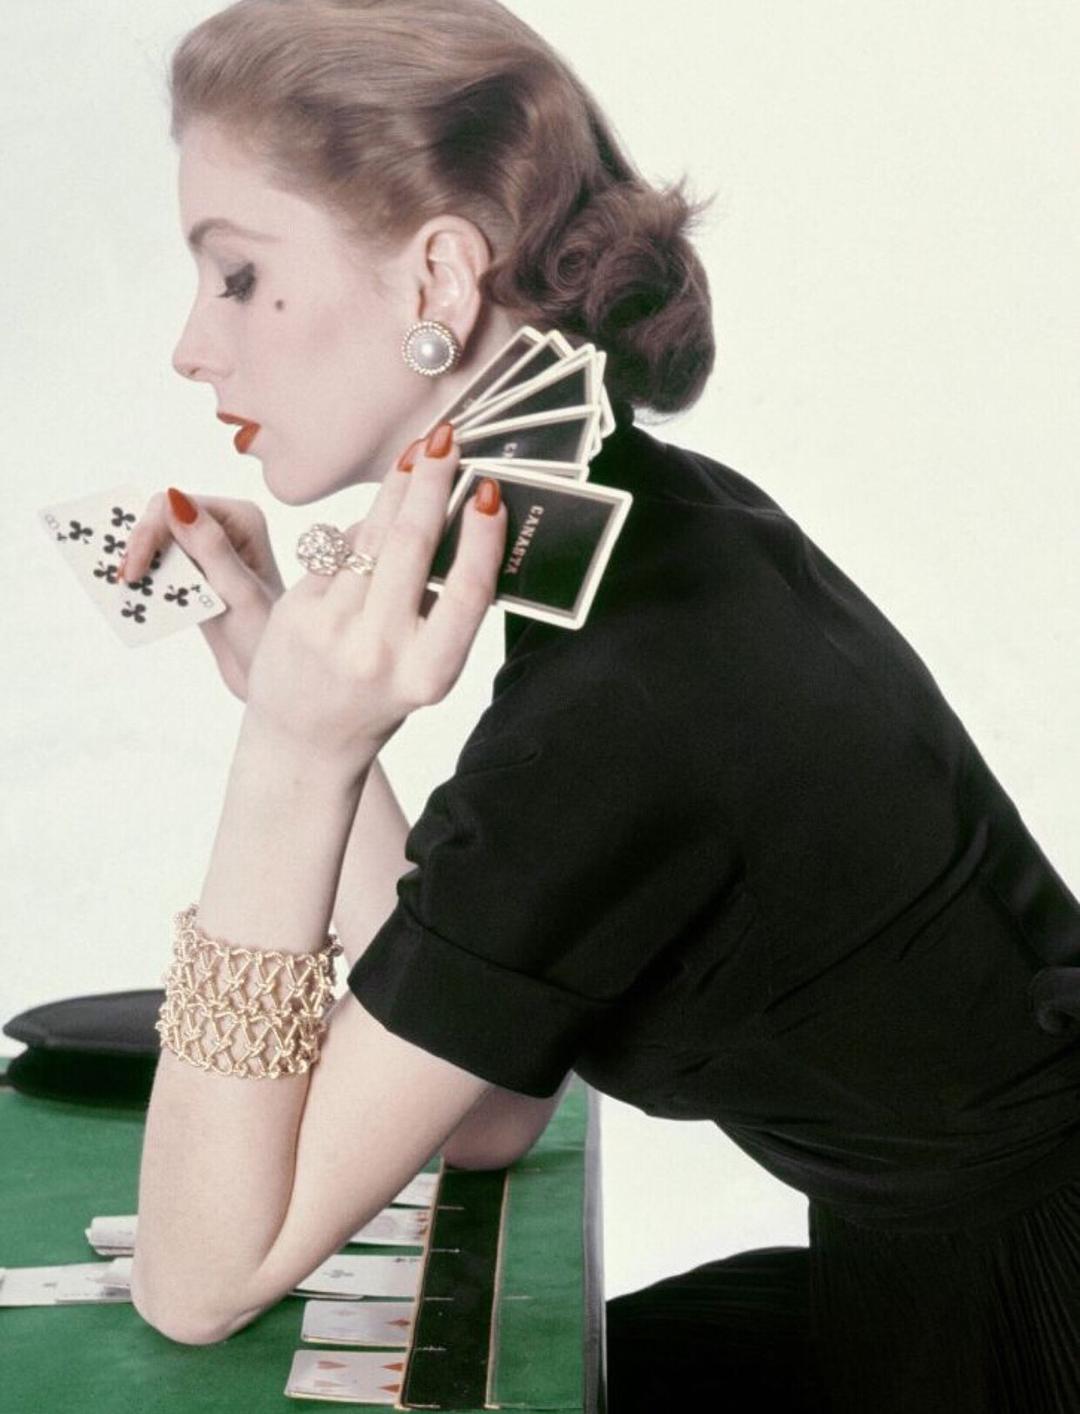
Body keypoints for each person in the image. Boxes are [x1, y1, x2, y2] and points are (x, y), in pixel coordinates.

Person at [123, 1, 1080, 1409]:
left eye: (237, 276)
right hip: (948, 1288)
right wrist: (292, 699)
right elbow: (484, 1105)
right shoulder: (647, 538)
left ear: (437, 276)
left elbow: (200, 1278)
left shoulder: (630, 693)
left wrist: (289, 755)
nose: (191, 348)